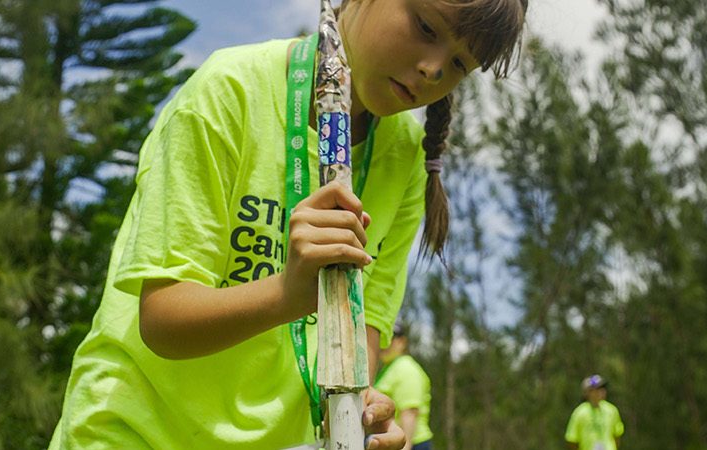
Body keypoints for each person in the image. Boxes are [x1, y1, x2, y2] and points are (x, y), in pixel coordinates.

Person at [47, 0, 528, 447]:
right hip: (135, 431)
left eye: (461, 64)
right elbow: (163, 320)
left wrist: (363, 407)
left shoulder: (404, 156)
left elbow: (363, 334)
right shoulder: (231, 88)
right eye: (425, 27)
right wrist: (288, 294)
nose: (434, 68)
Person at [373, 325, 433, 450]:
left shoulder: (406, 369)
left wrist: (405, 446)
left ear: (402, 342)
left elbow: (410, 413)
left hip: (411, 444)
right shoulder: (388, 368)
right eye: (382, 339)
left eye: (391, 339)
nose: (385, 344)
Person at [564, 375, 625, 450]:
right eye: (597, 389)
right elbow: (572, 439)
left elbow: (617, 435)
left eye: (602, 388)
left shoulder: (612, 410)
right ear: (588, 392)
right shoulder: (579, 412)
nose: (601, 391)